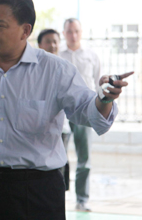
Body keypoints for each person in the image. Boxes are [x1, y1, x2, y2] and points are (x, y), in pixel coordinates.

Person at [0, 0, 132, 220]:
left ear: (25, 30)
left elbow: (87, 112)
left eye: (0, 25)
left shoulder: (55, 70)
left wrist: (105, 98)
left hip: (39, 191)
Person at [59, 18, 101, 212]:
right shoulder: (58, 56)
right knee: (59, 157)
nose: (73, 35)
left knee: (84, 159)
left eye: (76, 31)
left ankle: (82, 200)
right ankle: (58, 198)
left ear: (81, 32)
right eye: (69, 31)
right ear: (64, 33)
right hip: (61, 113)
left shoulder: (91, 56)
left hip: (84, 112)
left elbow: (98, 85)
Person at [37, 28, 71, 191]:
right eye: (48, 41)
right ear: (39, 45)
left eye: (55, 41)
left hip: (62, 127)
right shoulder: (34, 69)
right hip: (40, 127)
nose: (52, 45)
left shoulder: (65, 68)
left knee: (59, 164)